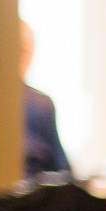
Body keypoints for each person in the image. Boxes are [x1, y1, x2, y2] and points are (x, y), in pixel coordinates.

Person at [20, 21, 69, 179]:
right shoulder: (38, 105)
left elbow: (62, 171)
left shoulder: (42, 104)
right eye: (20, 48)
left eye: (27, 49)